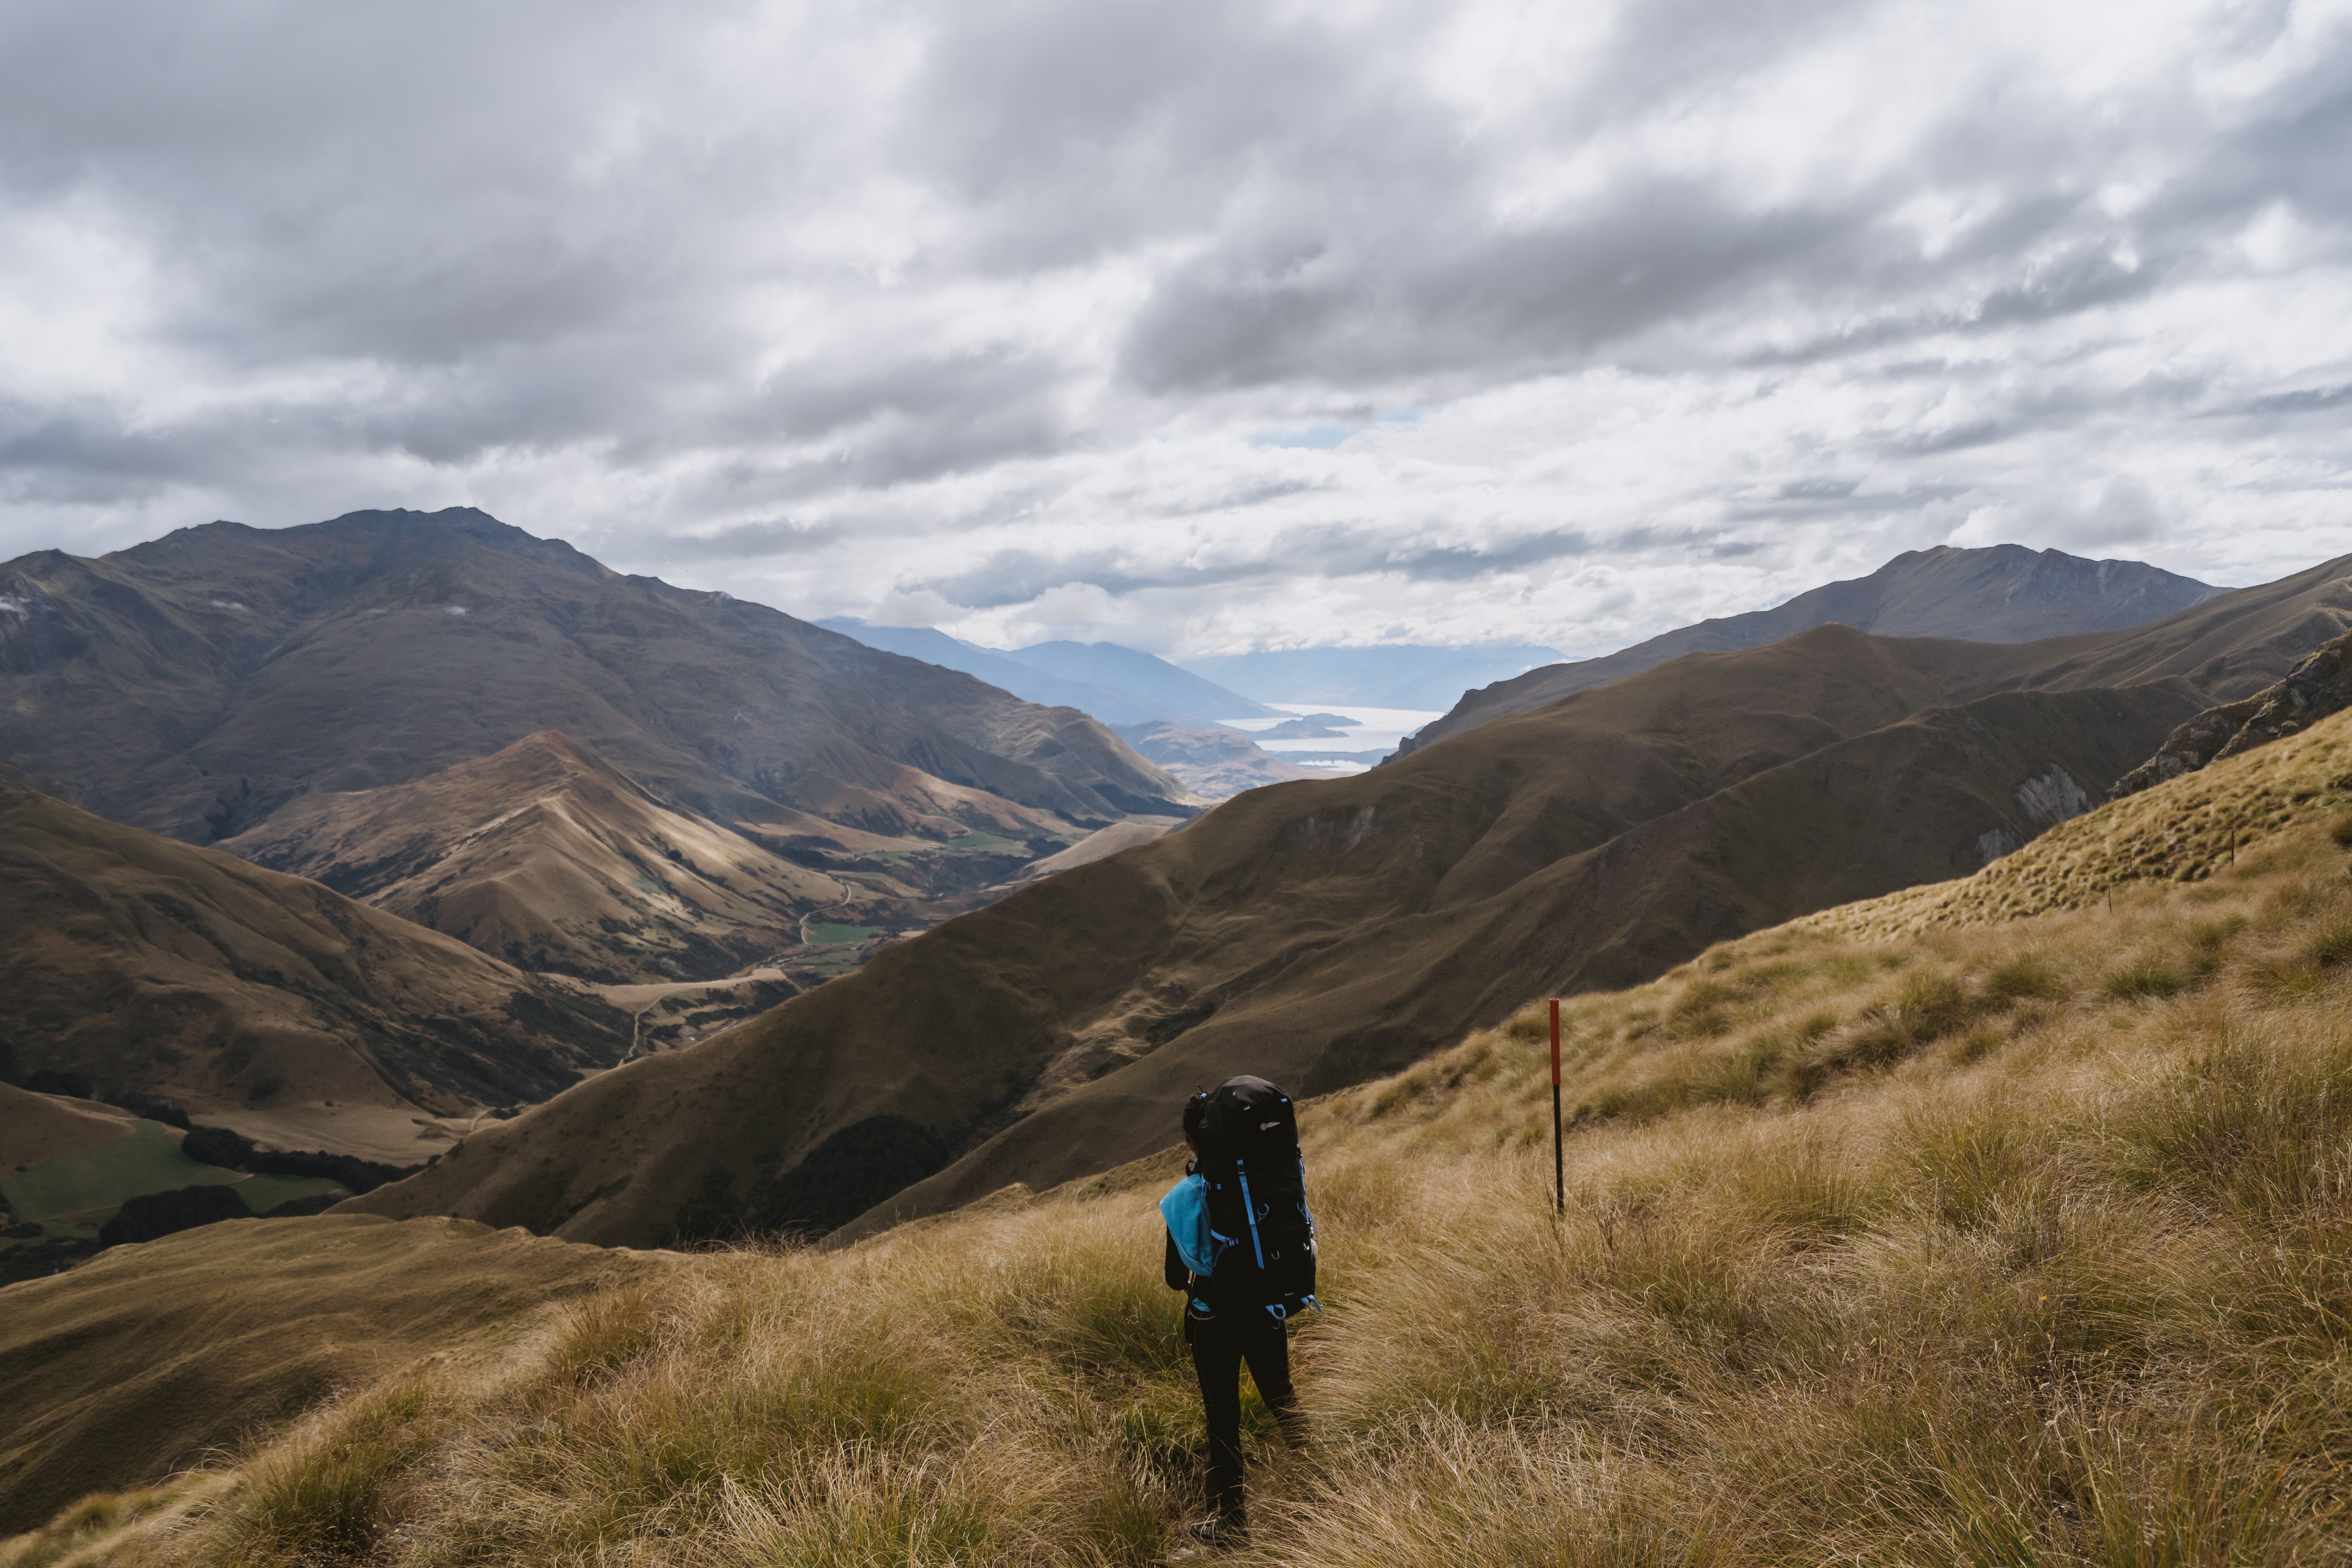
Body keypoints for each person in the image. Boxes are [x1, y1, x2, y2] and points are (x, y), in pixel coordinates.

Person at [1161, 1078, 1316, 1546]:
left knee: (1222, 1419)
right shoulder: (1266, 1181)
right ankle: (1326, 1479)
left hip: (1214, 1319)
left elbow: (1173, 1276)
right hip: (1267, 1304)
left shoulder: (1186, 1197)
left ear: (1194, 1139)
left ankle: (1231, 1523)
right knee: (1283, 1398)